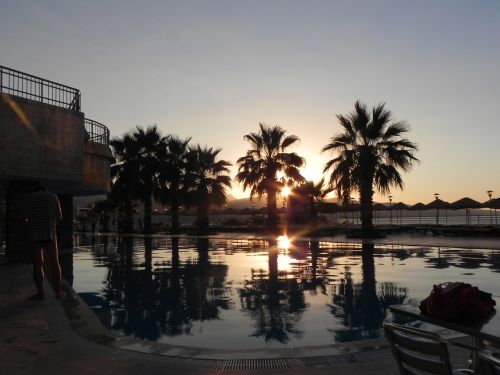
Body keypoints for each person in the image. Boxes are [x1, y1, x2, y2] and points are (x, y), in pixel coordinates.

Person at [23, 186, 64, 300]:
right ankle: (58, 292)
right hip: (50, 234)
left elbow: (24, 216)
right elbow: (59, 217)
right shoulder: (53, 197)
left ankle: (41, 294)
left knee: (37, 265)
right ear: (45, 190)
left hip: (34, 235)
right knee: (55, 263)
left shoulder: (28, 198)